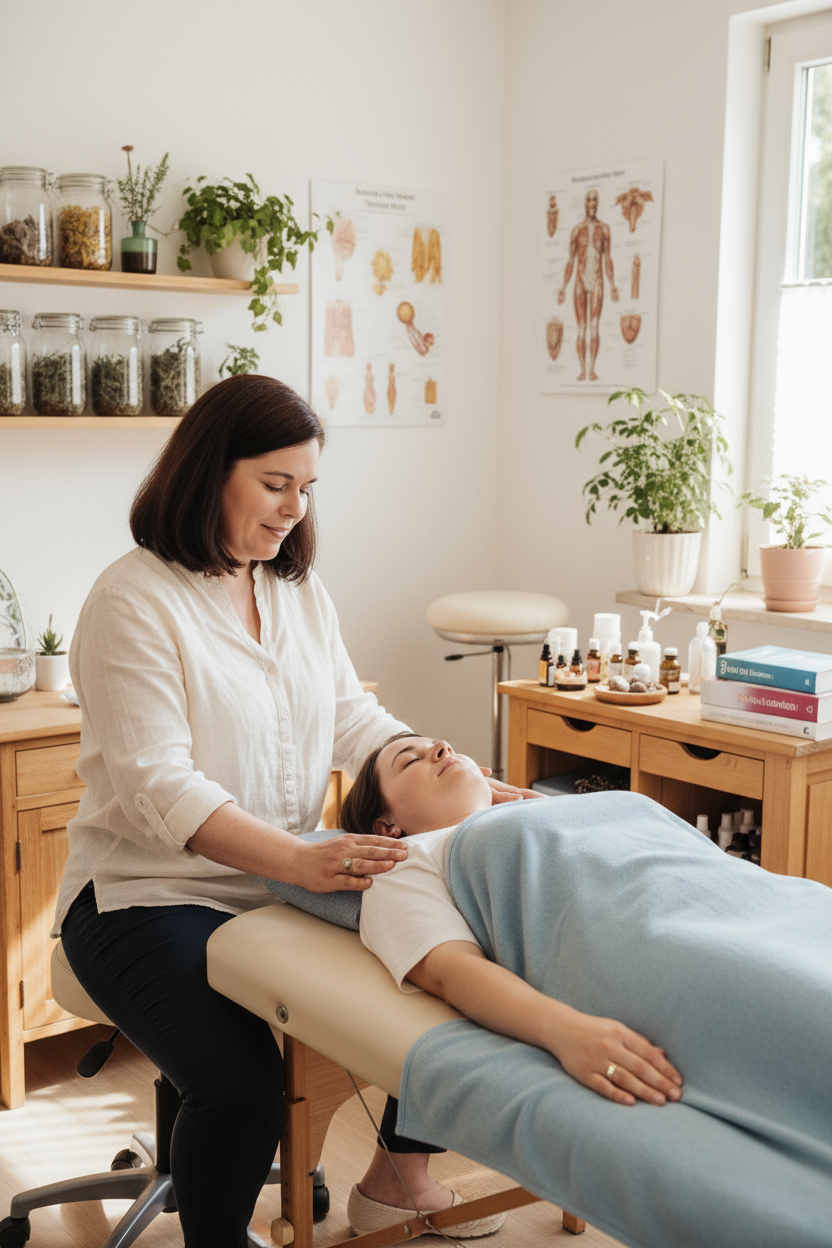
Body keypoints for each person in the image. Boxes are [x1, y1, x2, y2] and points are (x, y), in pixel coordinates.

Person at [54, 377, 526, 1248]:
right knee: (242, 1087)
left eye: (306, 488)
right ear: (208, 472)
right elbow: (160, 785)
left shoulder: (295, 590)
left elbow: (352, 716)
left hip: (283, 885)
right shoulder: (132, 601)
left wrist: (450, 775)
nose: (294, 510)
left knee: (445, 978)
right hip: (149, 894)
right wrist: (301, 860)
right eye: (276, 484)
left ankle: (395, 1182)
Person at [339, 733, 832, 1248]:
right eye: (411, 760)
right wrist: (567, 1032)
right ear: (386, 826)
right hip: (685, 948)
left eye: (441, 746)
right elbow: (451, 972)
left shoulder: (558, 809)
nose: (441, 747)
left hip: (775, 908)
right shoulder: (404, 862)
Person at [558, 188, 619, 381]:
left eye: (595, 200)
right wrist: (563, 286)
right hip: (580, 281)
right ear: (585, 203)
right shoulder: (577, 230)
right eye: (589, 200)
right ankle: (582, 370)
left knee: (594, 327)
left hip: (597, 280)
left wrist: (613, 285)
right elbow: (570, 260)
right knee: (581, 328)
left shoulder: (604, 229)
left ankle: (591, 369)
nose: (592, 203)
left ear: (597, 203)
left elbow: (608, 259)